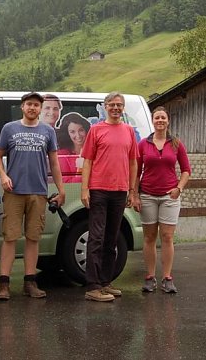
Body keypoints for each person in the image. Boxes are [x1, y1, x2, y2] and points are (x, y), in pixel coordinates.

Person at [0, 92, 66, 300]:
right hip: (14, 192)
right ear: (22, 107)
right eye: (29, 104)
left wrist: (61, 190)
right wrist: (4, 176)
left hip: (38, 192)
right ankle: (4, 284)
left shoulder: (47, 131)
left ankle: (30, 282)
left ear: (40, 109)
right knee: (10, 237)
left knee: (33, 238)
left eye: (36, 105)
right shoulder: (9, 128)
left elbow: (54, 163)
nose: (32, 108)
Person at [80, 92, 138, 302]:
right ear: (105, 107)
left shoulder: (129, 131)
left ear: (123, 108)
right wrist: (84, 189)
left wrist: (132, 190)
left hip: (120, 191)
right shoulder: (96, 130)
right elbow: (87, 161)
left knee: (112, 238)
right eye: (112, 104)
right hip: (99, 190)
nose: (116, 108)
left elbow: (133, 162)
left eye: (119, 105)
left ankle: (105, 282)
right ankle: (93, 286)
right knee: (96, 237)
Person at [133, 106, 191, 294]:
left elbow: (186, 170)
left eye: (163, 118)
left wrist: (179, 188)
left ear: (168, 121)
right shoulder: (143, 144)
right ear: (152, 121)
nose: (160, 120)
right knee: (149, 237)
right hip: (147, 196)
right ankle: (150, 277)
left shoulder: (176, 144)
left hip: (169, 197)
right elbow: (136, 172)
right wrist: (134, 195)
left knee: (167, 237)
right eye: (157, 117)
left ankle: (167, 278)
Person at [56, 112, 91, 182]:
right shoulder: (62, 155)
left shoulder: (95, 150)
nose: (78, 135)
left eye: (81, 130)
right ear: (67, 134)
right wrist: (82, 168)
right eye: (72, 132)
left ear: (86, 130)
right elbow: (67, 182)